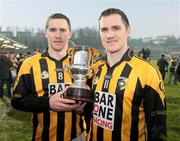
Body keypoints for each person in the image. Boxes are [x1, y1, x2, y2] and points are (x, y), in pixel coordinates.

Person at [90, 8, 167, 141]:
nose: (109, 35)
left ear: (128, 30)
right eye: (104, 29)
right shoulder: (95, 69)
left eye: (116, 28)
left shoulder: (148, 72)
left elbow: (158, 131)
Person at [11, 13, 88, 141]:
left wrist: (83, 108)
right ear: (45, 33)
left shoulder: (82, 65)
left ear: (70, 34)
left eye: (63, 30)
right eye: (52, 30)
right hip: (43, 137)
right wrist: (48, 102)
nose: (58, 35)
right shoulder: (30, 64)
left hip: (77, 136)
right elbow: (17, 101)